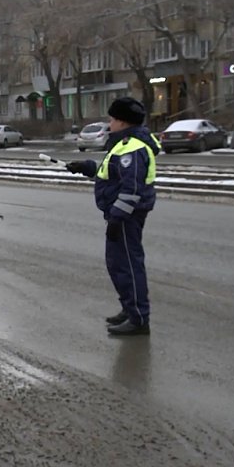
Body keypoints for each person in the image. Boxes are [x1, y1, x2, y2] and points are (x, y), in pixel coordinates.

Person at [65, 97, 160, 336]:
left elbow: (132, 188)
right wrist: (87, 167)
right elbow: (114, 174)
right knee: (118, 265)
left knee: (128, 265)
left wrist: (117, 217)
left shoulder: (132, 147)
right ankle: (129, 309)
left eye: (112, 118)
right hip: (120, 215)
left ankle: (138, 318)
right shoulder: (124, 144)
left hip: (126, 216)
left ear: (122, 121)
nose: (109, 123)